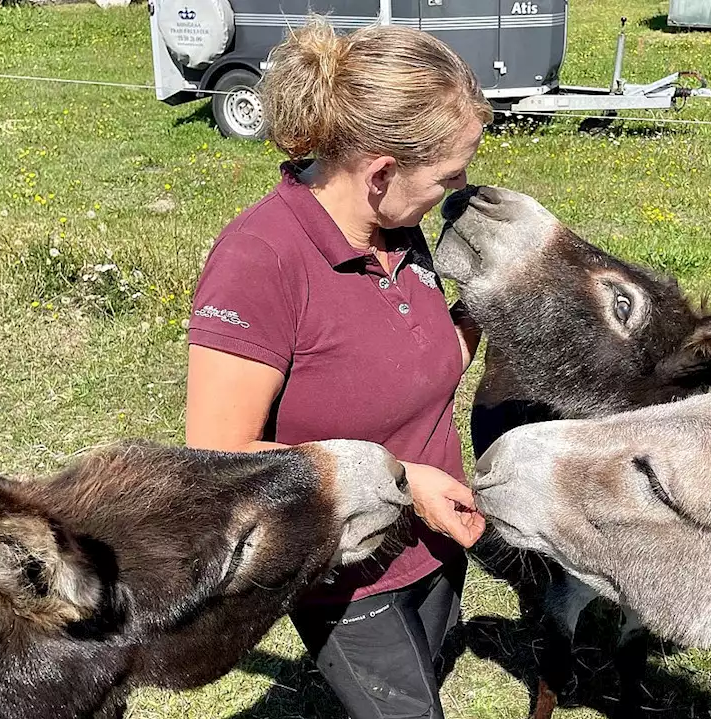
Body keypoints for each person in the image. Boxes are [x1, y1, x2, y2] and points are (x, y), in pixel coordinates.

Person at [184, 17, 494, 719]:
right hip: (345, 567)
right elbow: (215, 459)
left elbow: (421, 366)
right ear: (380, 172)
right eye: (450, 174)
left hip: (436, 540)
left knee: (427, 679)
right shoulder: (259, 261)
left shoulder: (400, 231)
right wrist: (406, 482)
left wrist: (483, 314)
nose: (461, 188)